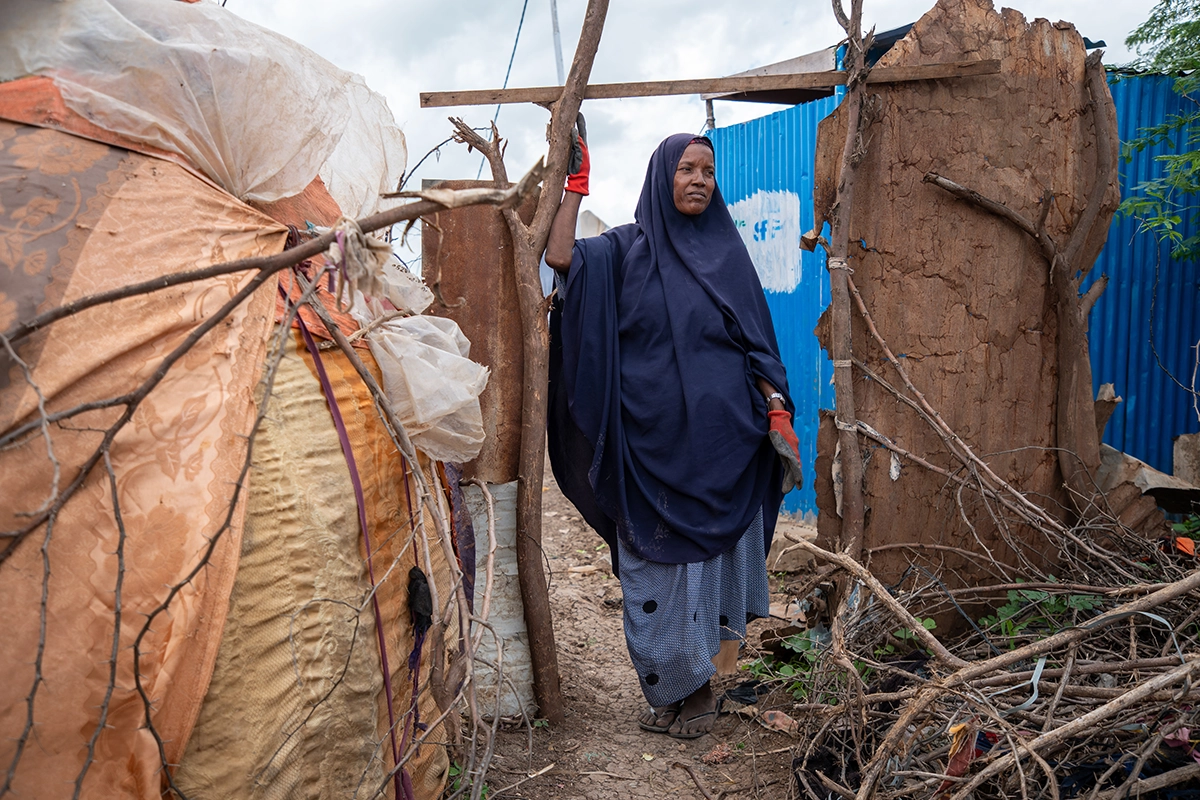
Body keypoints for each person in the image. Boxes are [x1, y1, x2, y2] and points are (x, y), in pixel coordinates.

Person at [543, 121, 802, 739]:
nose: (699, 181)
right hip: (650, 451)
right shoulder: (623, 251)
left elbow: (758, 345)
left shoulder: (728, 254)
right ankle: (678, 685)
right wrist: (574, 182)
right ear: (663, 175)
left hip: (724, 450)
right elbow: (557, 257)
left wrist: (776, 408)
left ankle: (701, 691)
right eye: (688, 169)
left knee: (709, 570)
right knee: (648, 566)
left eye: (708, 172)